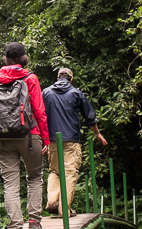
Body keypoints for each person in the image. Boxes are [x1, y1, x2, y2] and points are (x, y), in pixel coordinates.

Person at [0, 42, 50, 229]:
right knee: (34, 177)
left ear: (6, 59)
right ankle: (34, 222)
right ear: (23, 58)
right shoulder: (30, 78)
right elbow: (39, 111)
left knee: (10, 184)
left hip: (2, 138)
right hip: (29, 136)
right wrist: (46, 140)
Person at [42, 67, 107, 216]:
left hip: (52, 139)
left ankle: (52, 201)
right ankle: (64, 208)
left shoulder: (46, 93)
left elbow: (39, 114)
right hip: (71, 140)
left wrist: (42, 138)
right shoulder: (76, 93)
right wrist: (97, 133)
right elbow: (90, 116)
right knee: (70, 172)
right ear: (71, 79)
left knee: (54, 171)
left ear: (58, 78)